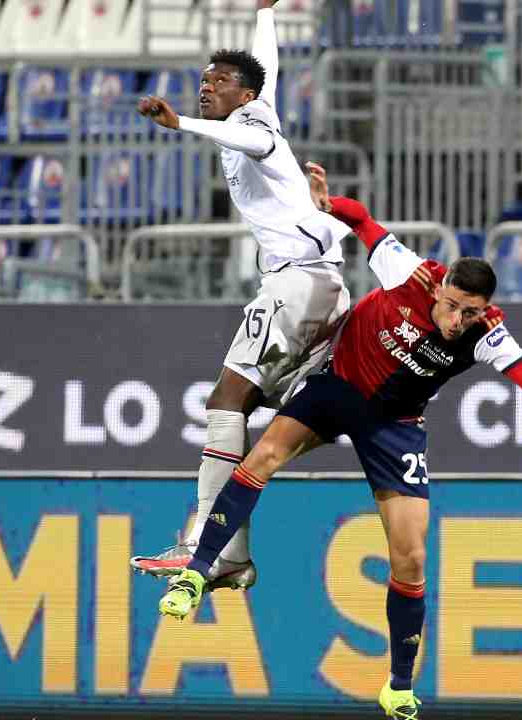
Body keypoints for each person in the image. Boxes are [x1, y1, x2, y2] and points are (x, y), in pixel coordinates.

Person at [157, 165, 522, 719]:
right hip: (337, 388)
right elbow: (361, 221)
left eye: (468, 312)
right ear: (442, 285)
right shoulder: (410, 272)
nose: (455, 319)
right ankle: (195, 573)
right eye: (452, 305)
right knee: (263, 455)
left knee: (412, 557)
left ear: (483, 309)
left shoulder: (488, 334)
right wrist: (328, 204)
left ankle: (398, 686)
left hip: (394, 426)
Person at [129, 0, 354, 593]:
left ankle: (206, 542)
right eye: (203, 81)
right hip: (319, 283)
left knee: (227, 402)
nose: (207, 88)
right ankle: (229, 552)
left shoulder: (254, 130)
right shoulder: (260, 113)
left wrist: (181, 125)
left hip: (298, 283)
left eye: (220, 82)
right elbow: (269, 69)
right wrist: (264, 14)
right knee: (265, 414)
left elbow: (249, 134)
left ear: (245, 97)